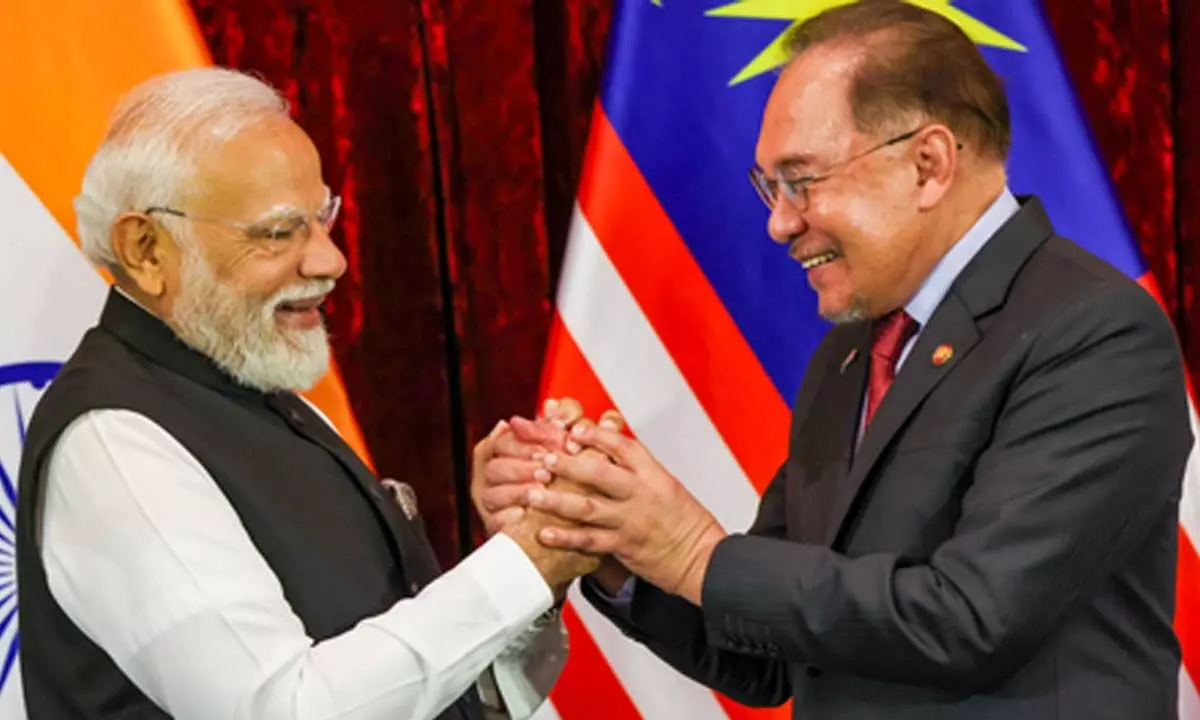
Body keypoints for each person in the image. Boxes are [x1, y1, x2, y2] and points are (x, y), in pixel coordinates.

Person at [477, 3, 1193, 718]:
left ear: (928, 165)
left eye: (802, 180)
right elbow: (771, 656)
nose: (779, 222)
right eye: (770, 187)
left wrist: (695, 553)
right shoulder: (853, 355)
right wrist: (608, 536)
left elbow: (973, 618)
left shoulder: (1095, 331)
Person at [15, 67, 599, 720]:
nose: (330, 261)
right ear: (146, 249)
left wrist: (535, 550)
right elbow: (285, 710)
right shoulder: (114, 442)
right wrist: (522, 566)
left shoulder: (264, 394)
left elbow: (439, 695)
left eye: (322, 219)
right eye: (277, 232)